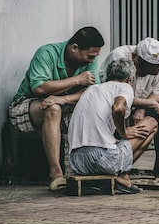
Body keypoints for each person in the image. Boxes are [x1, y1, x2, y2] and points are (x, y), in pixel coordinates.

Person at [8, 26, 105, 191]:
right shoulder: (46, 53)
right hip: (27, 106)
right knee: (53, 108)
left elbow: (92, 92)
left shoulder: (90, 60)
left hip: (63, 105)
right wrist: (77, 81)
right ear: (74, 48)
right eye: (89, 56)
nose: (92, 61)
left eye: (94, 57)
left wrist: (64, 98)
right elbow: (39, 88)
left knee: (90, 107)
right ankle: (56, 174)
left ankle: (81, 171)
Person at [68, 58, 158, 194]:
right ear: (129, 79)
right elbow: (118, 108)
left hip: (77, 161)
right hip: (102, 160)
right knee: (152, 123)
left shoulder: (92, 89)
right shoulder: (125, 87)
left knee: (116, 143)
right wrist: (124, 133)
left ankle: (114, 175)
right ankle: (123, 177)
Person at [99, 37, 159, 176]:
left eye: (151, 72)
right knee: (120, 113)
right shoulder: (119, 56)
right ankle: (119, 162)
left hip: (142, 101)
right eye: (142, 70)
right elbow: (113, 92)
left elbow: (158, 93)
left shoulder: (156, 64)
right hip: (117, 102)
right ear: (134, 57)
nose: (145, 74)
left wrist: (142, 108)